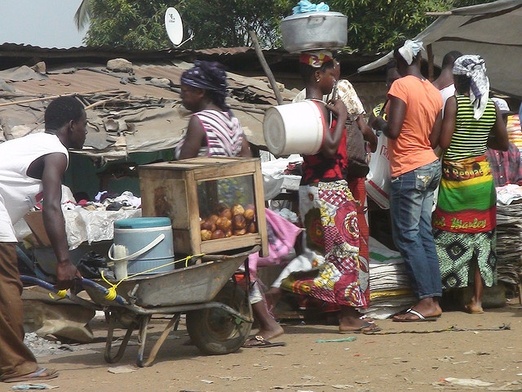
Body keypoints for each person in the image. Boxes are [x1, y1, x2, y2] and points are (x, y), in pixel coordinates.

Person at [174, 60, 286, 345]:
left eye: (186, 90)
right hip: (234, 207)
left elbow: (182, 165)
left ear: (201, 92)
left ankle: (268, 324)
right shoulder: (231, 120)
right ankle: (208, 323)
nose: (182, 95)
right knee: (231, 267)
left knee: (224, 267)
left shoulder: (199, 121)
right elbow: (247, 159)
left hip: (208, 209)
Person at [279, 50, 379, 333]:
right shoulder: (320, 109)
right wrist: (343, 115)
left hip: (311, 187)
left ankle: (288, 294)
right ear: (317, 75)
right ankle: (347, 316)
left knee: (319, 254)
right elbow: (331, 147)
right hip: (331, 188)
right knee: (345, 252)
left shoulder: (303, 109)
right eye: (330, 74)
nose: (334, 78)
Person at [0, 96, 87, 383]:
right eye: (85, 125)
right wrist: (64, 262)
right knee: (7, 289)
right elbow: (52, 205)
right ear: (72, 125)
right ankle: (15, 367)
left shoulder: (31, 144)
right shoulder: (55, 152)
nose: (86, 132)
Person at [371, 40, 443, 322]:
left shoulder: (401, 86)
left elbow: (394, 129)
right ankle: (432, 297)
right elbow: (434, 138)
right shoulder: (433, 91)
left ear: (400, 60)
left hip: (409, 169)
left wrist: (377, 123)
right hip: (429, 164)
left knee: (407, 235)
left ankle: (425, 299)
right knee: (423, 234)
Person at [432, 55, 509, 315]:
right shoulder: (491, 107)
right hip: (482, 180)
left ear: (457, 78)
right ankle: (476, 301)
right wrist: (479, 139)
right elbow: (503, 144)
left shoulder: (455, 103)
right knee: (481, 241)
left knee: (447, 236)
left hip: (456, 181)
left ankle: (445, 298)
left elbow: (444, 142)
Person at [485, 98, 522, 187]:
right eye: (498, 118)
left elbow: (519, 179)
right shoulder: (480, 148)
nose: (502, 122)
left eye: (504, 118)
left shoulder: (512, 149)